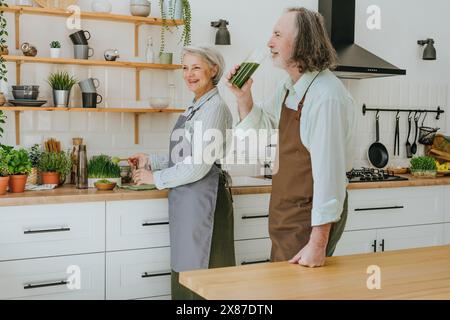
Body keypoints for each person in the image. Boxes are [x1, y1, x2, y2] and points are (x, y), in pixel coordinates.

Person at [227, 7, 356, 267]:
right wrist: (243, 97)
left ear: (301, 41)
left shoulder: (326, 96)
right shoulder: (289, 88)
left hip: (310, 221)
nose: (269, 42)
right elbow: (261, 132)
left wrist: (318, 244)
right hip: (287, 215)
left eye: (277, 34)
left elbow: (329, 176)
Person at [129, 46, 235, 299]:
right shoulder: (196, 106)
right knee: (187, 269)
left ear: (213, 70)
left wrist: (155, 178)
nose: (189, 74)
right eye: (185, 68)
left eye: (196, 67)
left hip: (206, 200)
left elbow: (198, 165)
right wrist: (152, 161)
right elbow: (186, 156)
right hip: (190, 200)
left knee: (205, 275)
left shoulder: (215, 109)